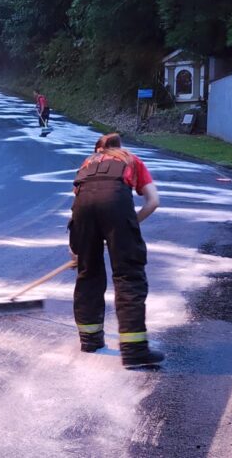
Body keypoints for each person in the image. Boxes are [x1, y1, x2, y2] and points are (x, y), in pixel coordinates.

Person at [68, 133, 163, 368]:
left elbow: (77, 205)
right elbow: (153, 202)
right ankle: (134, 351)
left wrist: (77, 248)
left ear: (99, 149)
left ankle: (90, 340)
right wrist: (124, 227)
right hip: (115, 205)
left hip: (83, 210)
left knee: (88, 273)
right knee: (128, 275)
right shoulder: (131, 159)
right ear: (118, 148)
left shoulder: (87, 164)